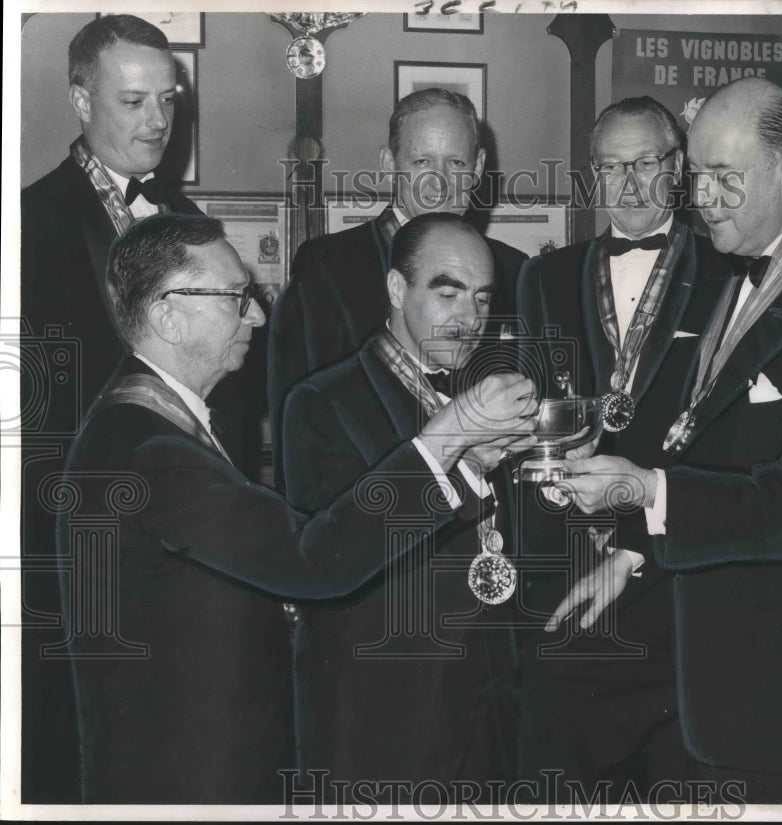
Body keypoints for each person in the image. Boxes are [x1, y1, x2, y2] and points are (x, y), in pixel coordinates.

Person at [58, 213, 526, 804]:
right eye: (235, 297)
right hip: (183, 783)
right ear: (166, 316)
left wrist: (468, 459)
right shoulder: (149, 447)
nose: (256, 314)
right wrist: (442, 440)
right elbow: (313, 561)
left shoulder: (151, 426)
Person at [548, 77, 782, 802]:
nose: (701, 196)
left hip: (780, 683)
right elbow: (707, 436)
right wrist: (636, 547)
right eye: (698, 174)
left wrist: (649, 490)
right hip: (702, 666)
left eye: (724, 178)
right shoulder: (745, 253)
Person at [281, 212, 538, 802]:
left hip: (490, 706)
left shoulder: (491, 391)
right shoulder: (321, 403)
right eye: (448, 293)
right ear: (397, 290)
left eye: (481, 298)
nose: (470, 319)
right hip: (382, 717)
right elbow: (336, 562)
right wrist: (460, 448)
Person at [514, 96, 728, 800]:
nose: (630, 183)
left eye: (646, 163)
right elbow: (540, 412)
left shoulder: (730, 271)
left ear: (678, 169)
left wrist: (639, 533)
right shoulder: (544, 276)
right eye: (611, 166)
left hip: (675, 572)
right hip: (572, 570)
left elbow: (732, 441)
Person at [18, 14, 203, 801]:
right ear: (79, 99)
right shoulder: (27, 224)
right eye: (134, 102)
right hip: (72, 545)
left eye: (167, 99)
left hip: (179, 533)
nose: (159, 121)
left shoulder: (191, 225)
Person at [268, 87, 527, 484]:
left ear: (478, 168)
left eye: (456, 162)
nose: (438, 184)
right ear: (389, 164)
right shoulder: (328, 267)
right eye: (422, 161)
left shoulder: (514, 269)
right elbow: (301, 430)